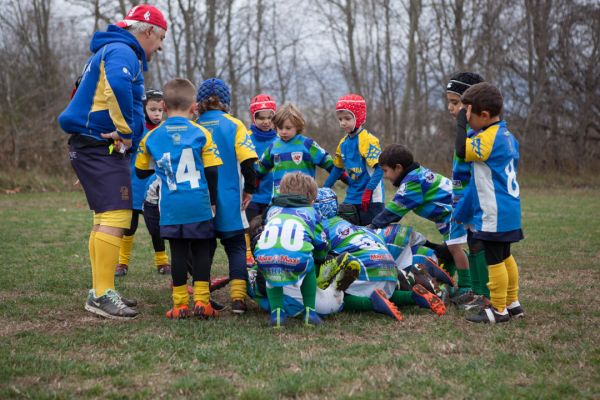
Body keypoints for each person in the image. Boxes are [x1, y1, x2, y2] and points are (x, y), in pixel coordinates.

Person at [57, 4, 167, 319]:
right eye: (159, 39)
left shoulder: (109, 50)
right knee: (117, 216)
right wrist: (126, 132)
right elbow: (116, 88)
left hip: (91, 142)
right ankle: (102, 294)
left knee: (105, 217)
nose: (158, 47)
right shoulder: (123, 51)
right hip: (101, 143)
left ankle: (101, 288)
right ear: (148, 32)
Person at [135, 78, 222, 319]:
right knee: (202, 251)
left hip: (171, 206)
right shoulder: (201, 132)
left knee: (179, 253)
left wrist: (162, 166)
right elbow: (213, 170)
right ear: (194, 107)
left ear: (163, 105)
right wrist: (213, 201)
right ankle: (203, 303)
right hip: (199, 203)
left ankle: (180, 305)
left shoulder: (151, 137)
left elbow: (140, 171)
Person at [314, 188, 447, 319]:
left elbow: (318, 256)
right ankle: (412, 296)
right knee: (384, 293)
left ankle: (374, 303)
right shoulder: (354, 226)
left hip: (366, 272)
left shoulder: (318, 228)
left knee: (338, 294)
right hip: (390, 271)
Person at [454, 82, 524, 324]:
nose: (466, 118)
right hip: (510, 208)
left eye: (468, 113)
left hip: (494, 210)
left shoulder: (488, 138)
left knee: (494, 260)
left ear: (483, 115)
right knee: (505, 257)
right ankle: (513, 303)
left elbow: (461, 150)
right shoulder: (507, 135)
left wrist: (460, 122)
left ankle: (498, 309)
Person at [370, 144, 473, 295]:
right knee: (448, 250)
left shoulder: (413, 181)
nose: (385, 176)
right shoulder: (416, 175)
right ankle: (447, 278)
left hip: (454, 212)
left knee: (455, 249)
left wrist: (372, 226)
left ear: (398, 168)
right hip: (446, 215)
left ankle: (465, 287)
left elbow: (395, 209)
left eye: (385, 171)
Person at [195, 78, 258, 314]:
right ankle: (238, 299)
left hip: (201, 199)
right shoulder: (235, 124)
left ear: (199, 103)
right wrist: (249, 189)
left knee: (204, 247)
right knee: (236, 246)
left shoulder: (194, 126)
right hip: (231, 198)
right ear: (226, 102)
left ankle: (201, 298)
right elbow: (249, 160)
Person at [254, 173, 327, 328]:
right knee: (310, 266)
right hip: (297, 259)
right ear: (311, 199)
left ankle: (277, 315)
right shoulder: (312, 213)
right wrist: (321, 258)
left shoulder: (272, 210)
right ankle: (310, 313)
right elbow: (320, 243)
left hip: (264, 258)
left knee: (272, 268)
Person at [116, 88, 171, 276]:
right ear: (143, 109)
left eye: (160, 110)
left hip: (155, 188)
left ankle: (162, 262)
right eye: (152, 109)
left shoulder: (165, 130)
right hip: (133, 183)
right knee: (128, 226)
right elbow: (122, 149)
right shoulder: (136, 128)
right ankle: (122, 263)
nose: (156, 114)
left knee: (155, 227)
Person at [255, 104, 342, 197]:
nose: (283, 131)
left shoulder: (308, 144)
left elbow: (330, 165)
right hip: (279, 199)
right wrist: (250, 187)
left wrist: (347, 180)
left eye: (288, 128)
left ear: (297, 126)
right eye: (280, 128)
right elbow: (260, 170)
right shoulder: (273, 147)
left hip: (305, 199)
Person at [324, 94, 385, 226]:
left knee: (372, 236)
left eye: (347, 118)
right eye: (340, 119)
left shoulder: (368, 140)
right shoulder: (343, 143)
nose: (343, 122)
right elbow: (337, 169)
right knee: (350, 234)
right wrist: (324, 189)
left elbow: (380, 168)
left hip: (371, 199)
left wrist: (369, 191)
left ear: (359, 118)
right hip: (351, 198)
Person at [245, 94, 278, 266]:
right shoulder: (246, 138)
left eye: (270, 118)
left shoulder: (279, 139)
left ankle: (268, 257)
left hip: (272, 195)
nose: (266, 122)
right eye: (261, 118)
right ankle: (249, 257)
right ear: (253, 117)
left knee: (270, 229)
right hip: (252, 194)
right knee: (250, 227)